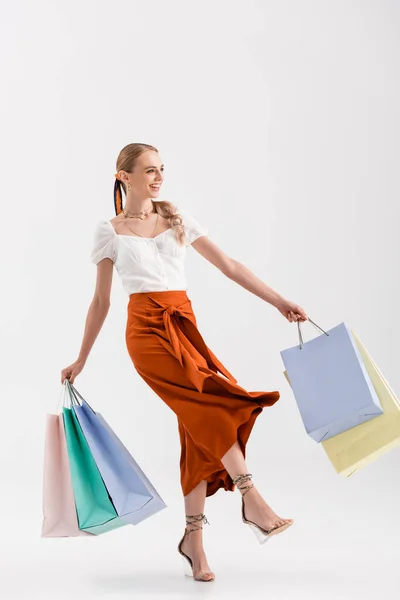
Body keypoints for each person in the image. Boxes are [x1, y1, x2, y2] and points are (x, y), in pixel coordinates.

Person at [61, 142, 308, 583]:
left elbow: (229, 265)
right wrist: (82, 358)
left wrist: (279, 302)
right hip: (146, 334)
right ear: (124, 176)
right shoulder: (109, 230)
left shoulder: (177, 219)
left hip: (185, 327)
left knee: (197, 422)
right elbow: (100, 302)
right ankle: (251, 496)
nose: (158, 177)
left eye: (161, 170)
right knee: (211, 405)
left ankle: (193, 539)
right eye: (149, 170)